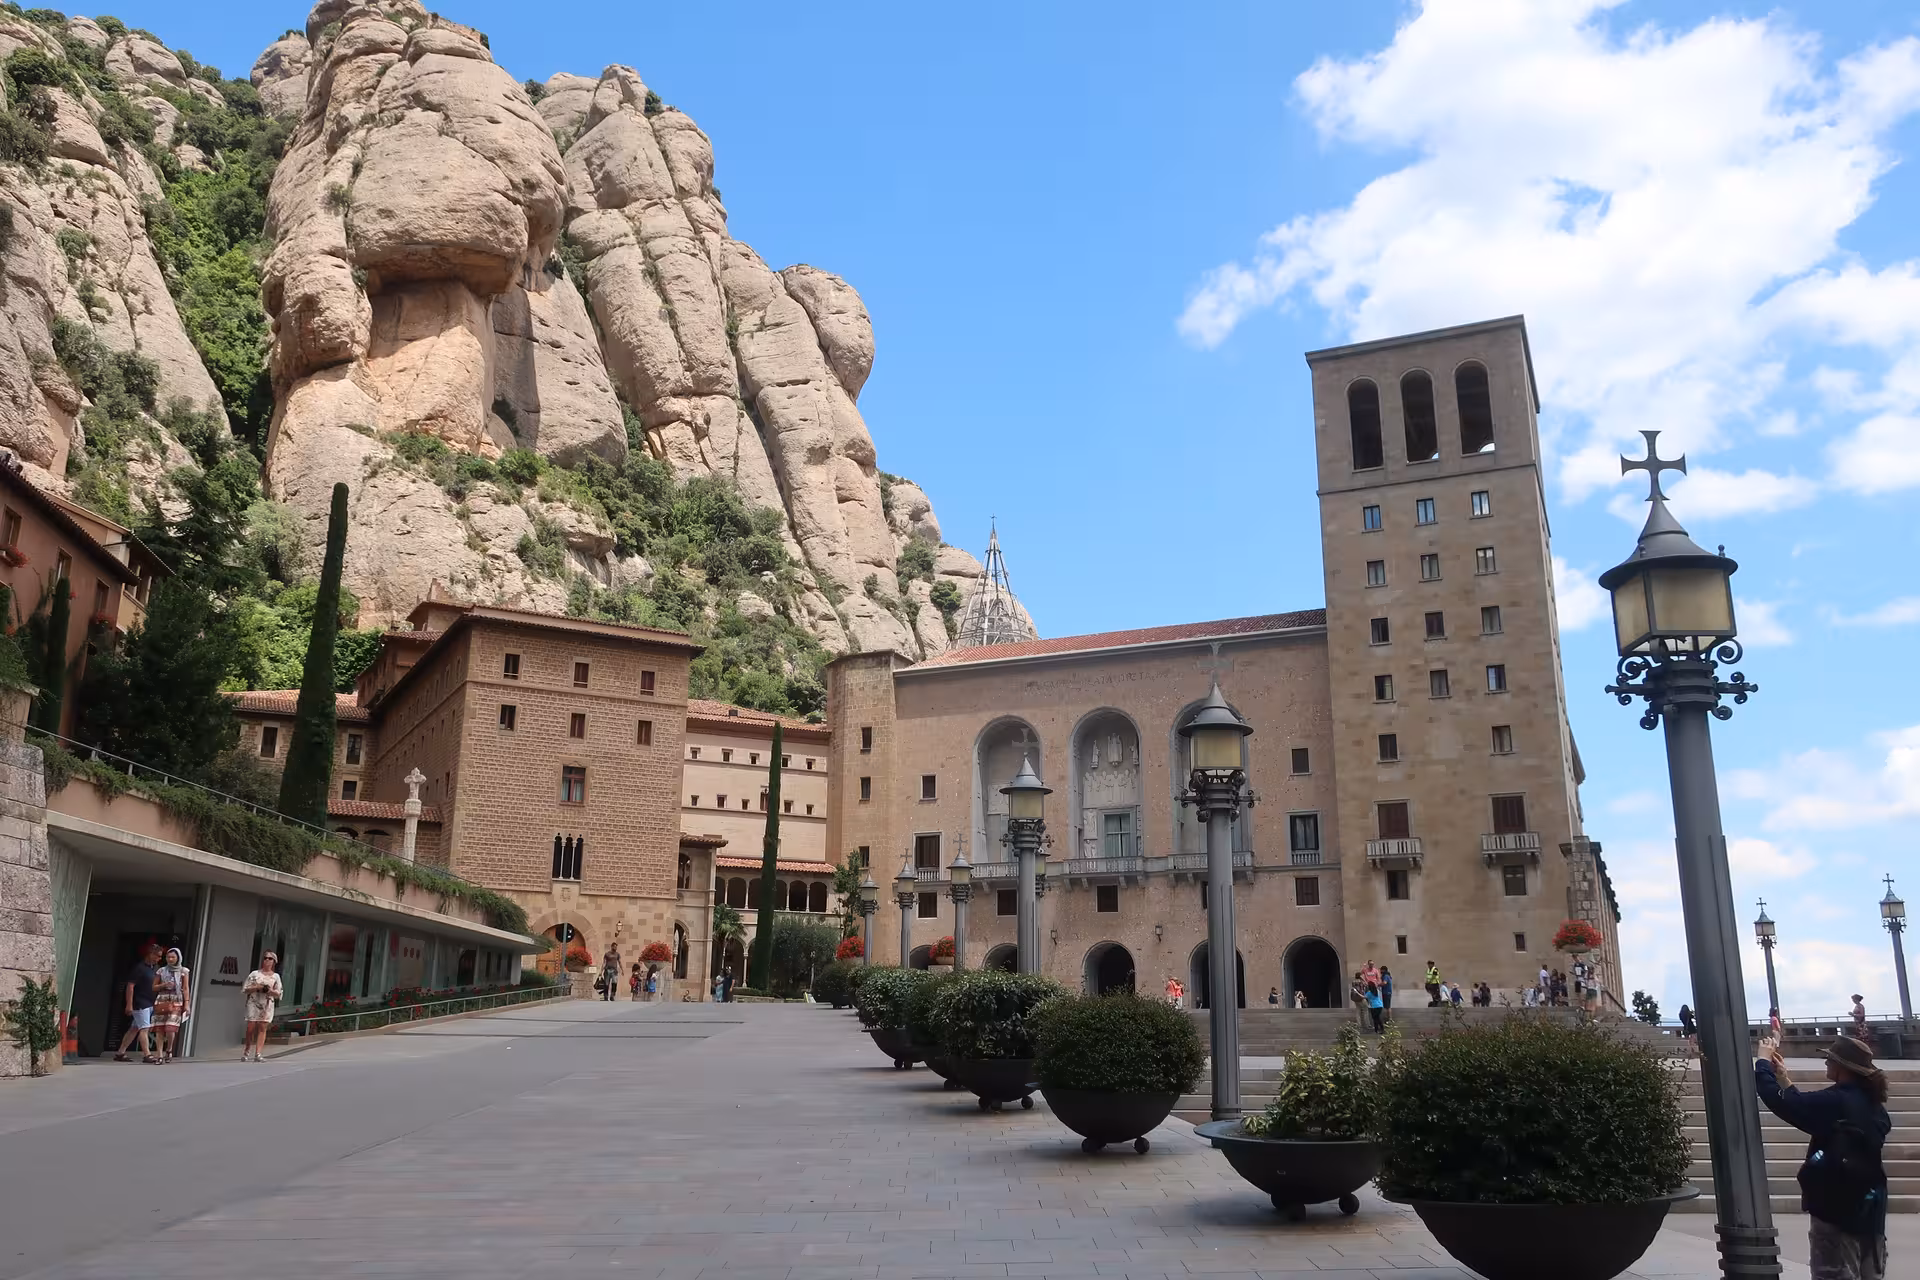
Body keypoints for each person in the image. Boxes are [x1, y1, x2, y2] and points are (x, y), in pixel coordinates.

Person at [1755, 1035, 1890, 1279]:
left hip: (1835, 1214)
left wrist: (1762, 1062)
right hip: (1870, 1217)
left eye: (1829, 1059)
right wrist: (1784, 1080)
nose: (1826, 1063)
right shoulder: (1872, 1105)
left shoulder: (1837, 1101)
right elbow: (1804, 1106)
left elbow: (1782, 1103)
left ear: (1842, 1067)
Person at [113, 942, 162, 1063]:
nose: (159, 959)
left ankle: (121, 1052)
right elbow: (130, 986)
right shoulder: (139, 968)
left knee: (134, 1028)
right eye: (157, 956)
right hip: (140, 1002)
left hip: (149, 1002)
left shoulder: (154, 969)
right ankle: (147, 1054)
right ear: (150, 954)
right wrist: (129, 1004)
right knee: (144, 1028)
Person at [151, 945, 191, 1064]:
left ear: (178, 958)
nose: (170, 959)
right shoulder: (161, 971)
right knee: (159, 1028)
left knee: (170, 1028)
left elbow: (185, 987)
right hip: (162, 999)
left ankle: (168, 1049)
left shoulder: (183, 971)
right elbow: (154, 987)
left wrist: (187, 1003)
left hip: (176, 1000)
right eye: (168, 957)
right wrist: (163, 985)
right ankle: (159, 1055)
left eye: (173, 957)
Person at [241, 952, 282, 1063]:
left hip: (267, 1003)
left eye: (270, 958)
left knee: (262, 1028)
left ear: (274, 962)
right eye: (265, 958)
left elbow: (279, 993)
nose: (267, 960)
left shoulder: (275, 976)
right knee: (250, 1027)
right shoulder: (254, 974)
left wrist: (269, 990)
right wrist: (257, 987)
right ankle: (247, 1050)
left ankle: (258, 1053)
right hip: (254, 1002)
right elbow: (245, 989)